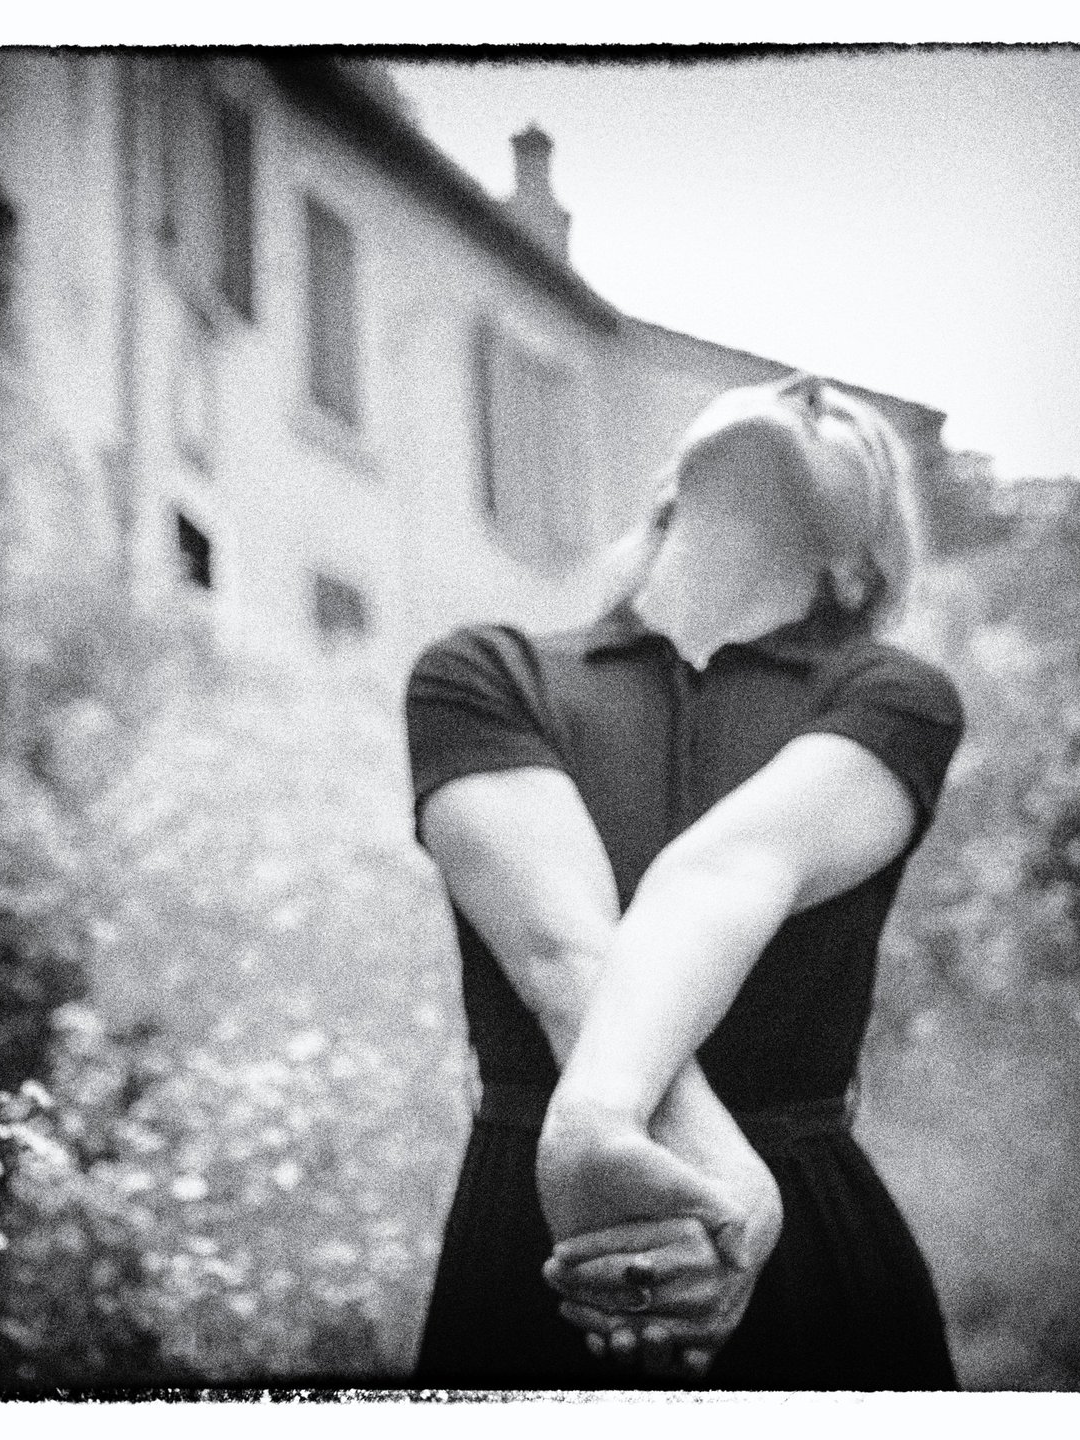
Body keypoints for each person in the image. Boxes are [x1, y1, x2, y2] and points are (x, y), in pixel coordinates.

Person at [405, 374, 965, 1389]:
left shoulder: (892, 697)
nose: (805, 387)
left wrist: (624, 1135)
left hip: (812, 1263)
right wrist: (719, 1181)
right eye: (777, 389)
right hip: (540, 1248)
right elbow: (559, 952)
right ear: (668, 488)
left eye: (845, 421)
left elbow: (732, 870)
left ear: (861, 554)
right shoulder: (485, 673)